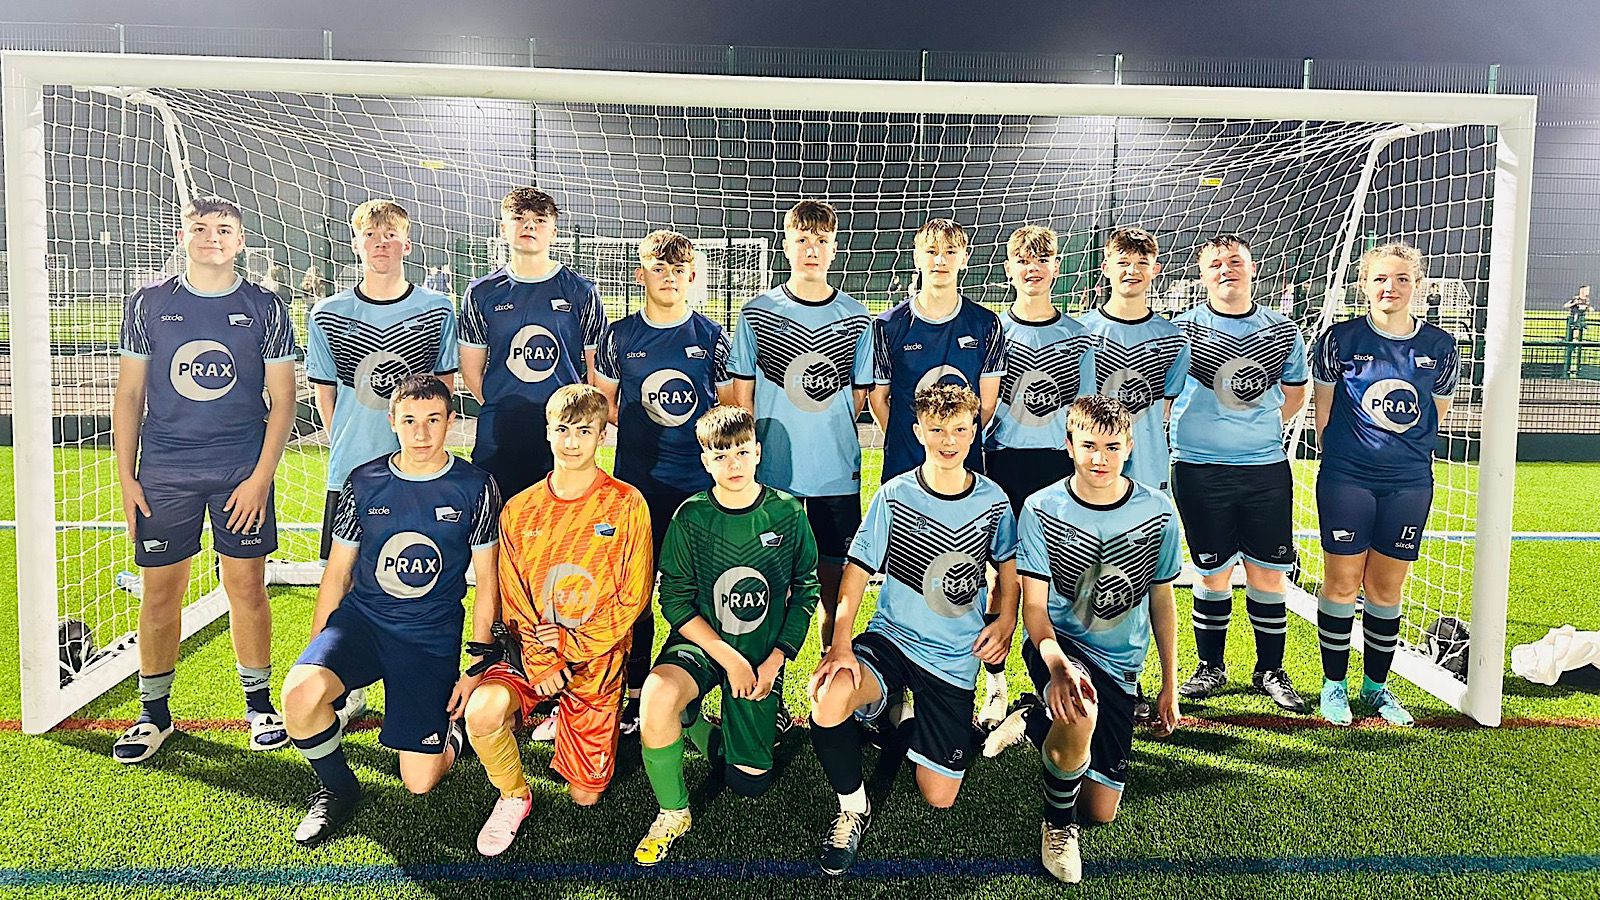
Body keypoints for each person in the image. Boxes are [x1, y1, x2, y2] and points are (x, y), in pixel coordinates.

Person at [111, 196, 299, 764]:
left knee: (245, 586)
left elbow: (284, 398)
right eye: (200, 228)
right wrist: (127, 478)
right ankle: (153, 713)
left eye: (223, 229)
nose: (211, 237)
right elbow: (129, 395)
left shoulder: (265, 306)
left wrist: (262, 478)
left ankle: (259, 705)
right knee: (160, 591)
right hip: (166, 470)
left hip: (240, 468)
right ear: (182, 236)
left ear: (241, 241)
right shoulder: (148, 303)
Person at [280, 374, 501, 846]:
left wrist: (477, 665)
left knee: (419, 781)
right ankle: (338, 788)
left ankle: (451, 733)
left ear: (451, 422)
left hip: (429, 636)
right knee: (299, 697)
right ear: (392, 422)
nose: (421, 434)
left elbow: (487, 584)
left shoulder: (476, 486)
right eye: (410, 421)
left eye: (433, 420)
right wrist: (317, 649)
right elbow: (337, 573)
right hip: (364, 623)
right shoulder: (363, 482)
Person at [807, 383, 1018, 876]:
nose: (950, 439)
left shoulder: (993, 499)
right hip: (893, 640)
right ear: (917, 430)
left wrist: (1006, 619)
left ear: (974, 429)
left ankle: (895, 718)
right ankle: (853, 808)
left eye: (961, 428)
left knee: (939, 796)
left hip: (953, 656)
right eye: (938, 429)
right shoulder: (896, 494)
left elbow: (1007, 568)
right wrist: (839, 646)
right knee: (830, 693)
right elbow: (856, 573)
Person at [996, 394, 1182, 883]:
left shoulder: (1158, 511)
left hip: (1122, 664)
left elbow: (1163, 601)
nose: (1100, 458)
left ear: (1129, 448)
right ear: (1069, 445)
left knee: (1102, 809)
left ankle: (1035, 720)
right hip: (1060, 646)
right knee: (1080, 706)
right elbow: (1034, 609)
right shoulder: (1041, 508)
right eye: (1089, 445)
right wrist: (1057, 665)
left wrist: (1169, 683)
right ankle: (1057, 827)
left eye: (1113, 446)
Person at [464, 384, 652, 856]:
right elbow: (514, 594)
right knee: (482, 711)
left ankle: (568, 714)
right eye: (563, 430)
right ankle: (514, 795)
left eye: (584, 431)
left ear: (602, 435)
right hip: (533, 653)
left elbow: (634, 596)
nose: (572, 441)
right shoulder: (520, 509)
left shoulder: (627, 504)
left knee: (585, 795)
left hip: (598, 656)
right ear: (548, 433)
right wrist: (543, 658)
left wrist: (570, 646)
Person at [632, 405, 820, 866]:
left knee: (748, 781)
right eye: (721, 455)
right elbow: (674, 600)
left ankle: (703, 724)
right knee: (656, 696)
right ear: (705, 461)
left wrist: (774, 660)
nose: (733, 463)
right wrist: (726, 656)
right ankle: (673, 812)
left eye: (741, 451)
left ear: (757, 452)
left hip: (760, 655)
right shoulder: (690, 517)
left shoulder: (787, 513)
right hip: (703, 644)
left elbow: (807, 587)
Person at [1312, 242, 1459, 727]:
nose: (1389, 288)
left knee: (1385, 588)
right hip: (1348, 478)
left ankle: (1375, 688)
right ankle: (1334, 685)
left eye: (1401, 279)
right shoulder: (1339, 339)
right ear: (1364, 284)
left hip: (1408, 484)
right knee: (1340, 582)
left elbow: (1436, 415)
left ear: (1418, 286)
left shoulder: (1440, 347)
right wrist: (1348, 457)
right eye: (1379, 278)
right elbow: (1325, 411)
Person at [594, 229, 735, 734]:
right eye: (659, 269)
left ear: (692, 276)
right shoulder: (619, 336)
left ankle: (691, 687)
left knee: (695, 592)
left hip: (698, 489)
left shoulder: (713, 337)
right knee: (634, 593)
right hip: (637, 487)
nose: (669, 278)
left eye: (678, 270)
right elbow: (605, 404)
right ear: (641, 275)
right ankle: (633, 692)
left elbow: (725, 408)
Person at [1168, 235, 1311, 712]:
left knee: (1269, 576)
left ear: (1252, 269)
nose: (1225, 270)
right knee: (1212, 574)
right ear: (1202, 274)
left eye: (1234, 262)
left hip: (1264, 469)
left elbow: (1294, 396)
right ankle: (1211, 667)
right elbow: (1165, 398)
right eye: (1215, 264)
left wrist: (1251, 427)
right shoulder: (1181, 331)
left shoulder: (1283, 329)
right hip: (1198, 469)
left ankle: (1270, 669)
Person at [729, 199, 872, 655]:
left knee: (835, 592)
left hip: (834, 474)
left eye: (822, 242)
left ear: (835, 249)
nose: (813, 250)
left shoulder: (856, 317)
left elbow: (858, 396)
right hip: (775, 474)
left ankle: (830, 684)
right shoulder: (755, 312)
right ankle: (771, 694)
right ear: (786, 247)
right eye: (803, 241)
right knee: (772, 591)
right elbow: (743, 396)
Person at [981, 224, 1096, 727]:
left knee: (1060, 580)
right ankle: (995, 685)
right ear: (1009, 269)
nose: (1033, 268)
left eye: (1042, 260)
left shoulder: (1076, 335)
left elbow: (1086, 409)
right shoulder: (991, 331)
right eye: (1023, 260)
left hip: (1056, 465)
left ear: (1055, 268)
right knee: (997, 579)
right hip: (1002, 460)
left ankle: (1052, 682)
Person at [307, 200, 458, 563]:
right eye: (370, 235)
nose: (381, 243)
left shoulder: (437, 308)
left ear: (407, 246)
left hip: (417, 467)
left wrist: (425, 444)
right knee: (343, 579)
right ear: (356, 245)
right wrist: (349, 442)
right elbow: (324, 395)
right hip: (351, 468)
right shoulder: (327, 313)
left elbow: (444, 390)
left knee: (417, 572)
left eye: (391, 235)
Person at [459, 186, 606, 501]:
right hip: (500, 433)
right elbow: (471, 372)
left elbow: (595, 373)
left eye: (539, 220)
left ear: (553, 232)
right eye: (519, 218)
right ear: (503, 229)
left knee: (561, 536)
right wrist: (505, 407)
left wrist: (574, 419)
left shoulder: (581, 292)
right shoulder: (481, 292)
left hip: (563, 434)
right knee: (495, 532)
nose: (529, 226)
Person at [867, 218, 1004, 484]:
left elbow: (987, 404)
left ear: (964, 258)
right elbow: (879, 400)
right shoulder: (887, 325)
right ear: (917, 257)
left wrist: (953, 441)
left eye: (950, 251)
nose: (940, 260)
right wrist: (914, 438)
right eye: (931, 251)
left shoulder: (986, 324)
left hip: (964, 466)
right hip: (905, 463)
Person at [1076, 227, 1190, 494]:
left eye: (1142, 263)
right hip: (1091, 464)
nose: (1132, 271)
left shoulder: (1173, 339)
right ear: (1105, 267)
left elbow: (1165, 406)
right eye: (1123, 263)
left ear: (1156, 269)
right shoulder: (1080, 333)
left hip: (1147, 467)